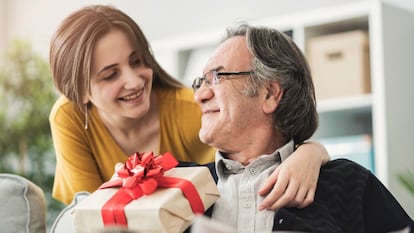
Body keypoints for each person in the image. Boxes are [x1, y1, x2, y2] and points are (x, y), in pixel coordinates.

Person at [48, 4, 330, 207]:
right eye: (111, 74)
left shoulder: (191, 108)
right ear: (81, 91)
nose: (134, 81)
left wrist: (311, 152)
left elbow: (268, 137)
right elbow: (86, 214)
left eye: (137, 61)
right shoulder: (68, 117)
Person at [192, 23, 414, 232]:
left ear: (269, 93)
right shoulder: (180, 187)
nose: (200, 95)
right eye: (200, 82)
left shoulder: (349, 183)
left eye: (216, 77)